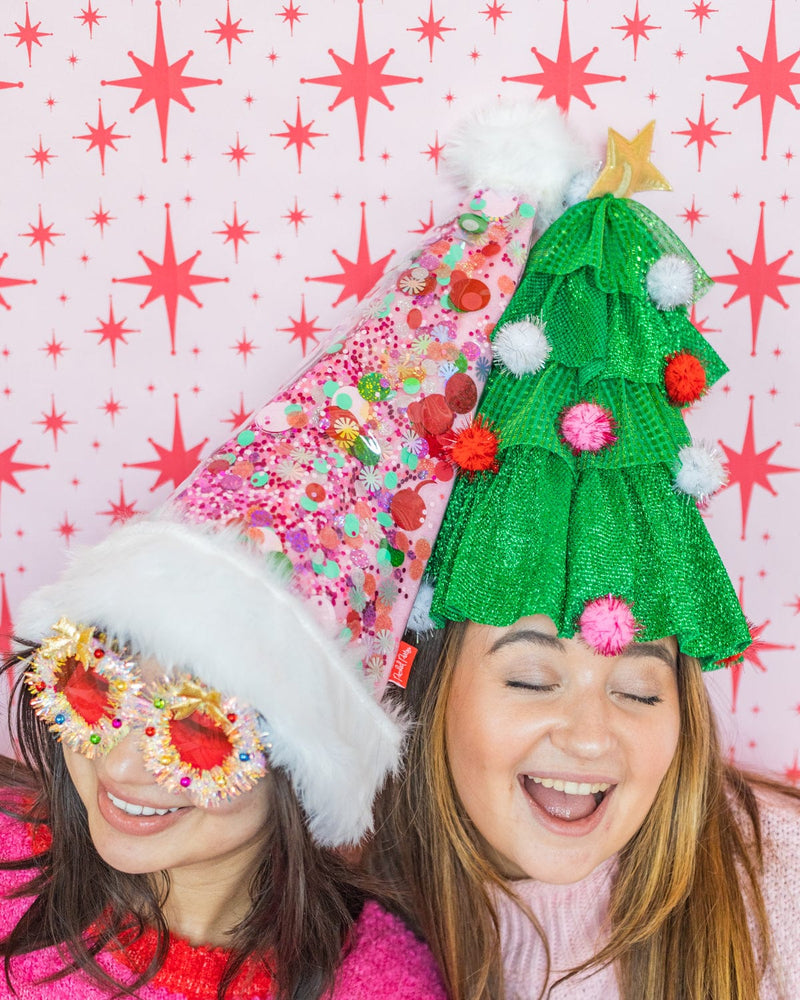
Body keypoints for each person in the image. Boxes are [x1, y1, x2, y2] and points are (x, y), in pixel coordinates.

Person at [0, 102, 591, 999]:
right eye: (95, 687)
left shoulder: (378, 983)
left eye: (197, 729)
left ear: (300, 760)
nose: (121, 768)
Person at [367, 131, 800, 1000]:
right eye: (531, 679)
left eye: (641, 691)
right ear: (431, 681)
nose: (591, 736)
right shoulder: (339, 920)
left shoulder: (777, 888)